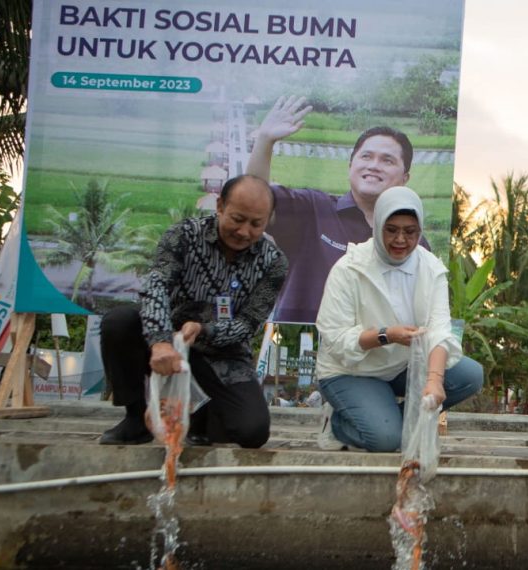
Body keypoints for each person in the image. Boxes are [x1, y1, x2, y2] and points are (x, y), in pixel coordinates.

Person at [99, 175, 288, 448]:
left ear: (268, 220)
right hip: (169, 342)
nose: (244, 231)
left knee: (253, 431)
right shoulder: (183, 236)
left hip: (223, 353)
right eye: (237, 219)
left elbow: (248, 324)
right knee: (120, 322)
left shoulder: (275, 262)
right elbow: (156, 286)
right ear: (220, 206)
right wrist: (161, 341)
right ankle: (136, 418)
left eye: (256, 224)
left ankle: (200, 420)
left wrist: (205, 330)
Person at [313, 186, 483, 452]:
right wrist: (387, 335)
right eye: (391, 229)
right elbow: (335, 338)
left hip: (402, 366)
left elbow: (439, 330)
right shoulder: (349, 268)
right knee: (386, 440)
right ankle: (337, 422)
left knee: (470, 375)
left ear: (420, 230)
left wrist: (434, 381)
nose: (401, 239)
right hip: (351, 371)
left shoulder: (430, 268)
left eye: (410, 231)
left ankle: (382, 415)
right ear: (378, 224)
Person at [246, 96, 428, 323]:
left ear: (404, 178)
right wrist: (265, 141)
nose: (373, 165)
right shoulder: (313, 209)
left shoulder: (413, 241)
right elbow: (254, 201)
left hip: (376, 351)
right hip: (302, 350)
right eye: (366, 156)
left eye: (387, 161)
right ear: (351, 165)